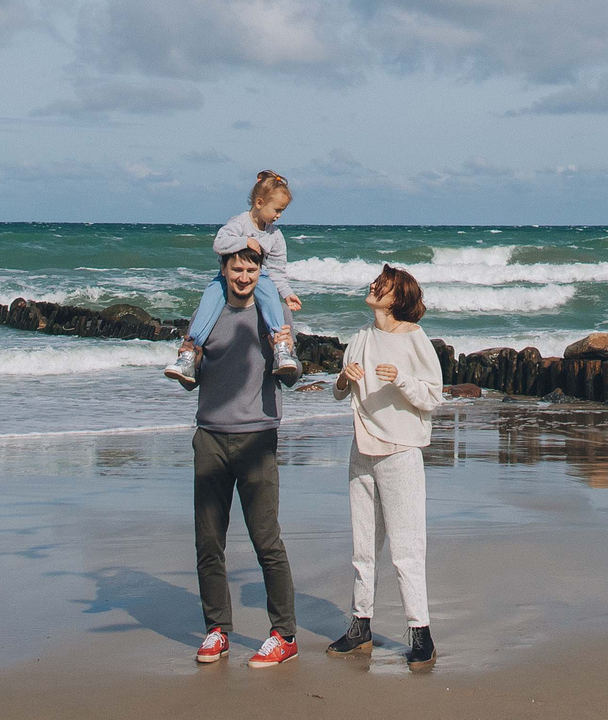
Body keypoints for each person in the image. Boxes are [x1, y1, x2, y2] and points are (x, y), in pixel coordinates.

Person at [325, 263, 444, 669]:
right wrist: (343, 378)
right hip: (362, 449)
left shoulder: (415, 338)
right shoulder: (360, 337)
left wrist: (401, 379)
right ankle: (360, 626)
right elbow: (340, 393)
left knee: (407, 548)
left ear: (397, 298)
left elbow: (433, 397)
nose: (374, 286)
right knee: (363, 545)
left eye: (384, 284)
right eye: (378, 281)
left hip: (400, 450)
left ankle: (421, 633)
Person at [190, 242, 300, 669]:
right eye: (236, 269)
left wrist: (286, 353)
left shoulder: (275, 313)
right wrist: (189, 358)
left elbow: (292, 376)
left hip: (257, 438)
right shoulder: (208, 312)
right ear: (223, 268)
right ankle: (216, 630)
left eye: (251, 271)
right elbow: (189, 378)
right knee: (208, 542)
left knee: (266, 540)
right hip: (210, 437)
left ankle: (284, 635)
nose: (243, 277)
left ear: (260, 273)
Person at [169, 172, 303, 389]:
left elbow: (277, 271)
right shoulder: (239, 223)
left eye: (282, 211)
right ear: (259, 203)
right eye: (277, 210)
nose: (279, 216)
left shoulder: (275, 236)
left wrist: (287, 293)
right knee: (208, 302)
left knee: (271, 298)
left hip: (262, 276)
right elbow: (219, 244)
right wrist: (246, 242)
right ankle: (189, 354)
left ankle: (280, 349)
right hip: (224, 278)